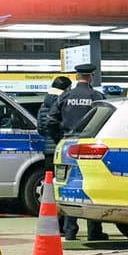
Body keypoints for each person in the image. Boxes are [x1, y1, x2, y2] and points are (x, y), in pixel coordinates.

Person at [53, 63, 109, 241]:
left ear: (77, 77)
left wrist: (60, 138)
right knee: (92, 186)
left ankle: (70, 231)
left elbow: (50, 120)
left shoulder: (65, 96)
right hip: (90, 147)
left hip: (68, 145)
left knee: (70, 186)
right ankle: (94, 231)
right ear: (91, 77)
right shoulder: (96, 96)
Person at [36, 75, 72, 233]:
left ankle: (50, 220)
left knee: (49, 188)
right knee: (63, 186)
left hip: (48, 151)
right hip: (62, 150)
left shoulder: (44, 104)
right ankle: (64, 223)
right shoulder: (63, 103)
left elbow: (40, 127)